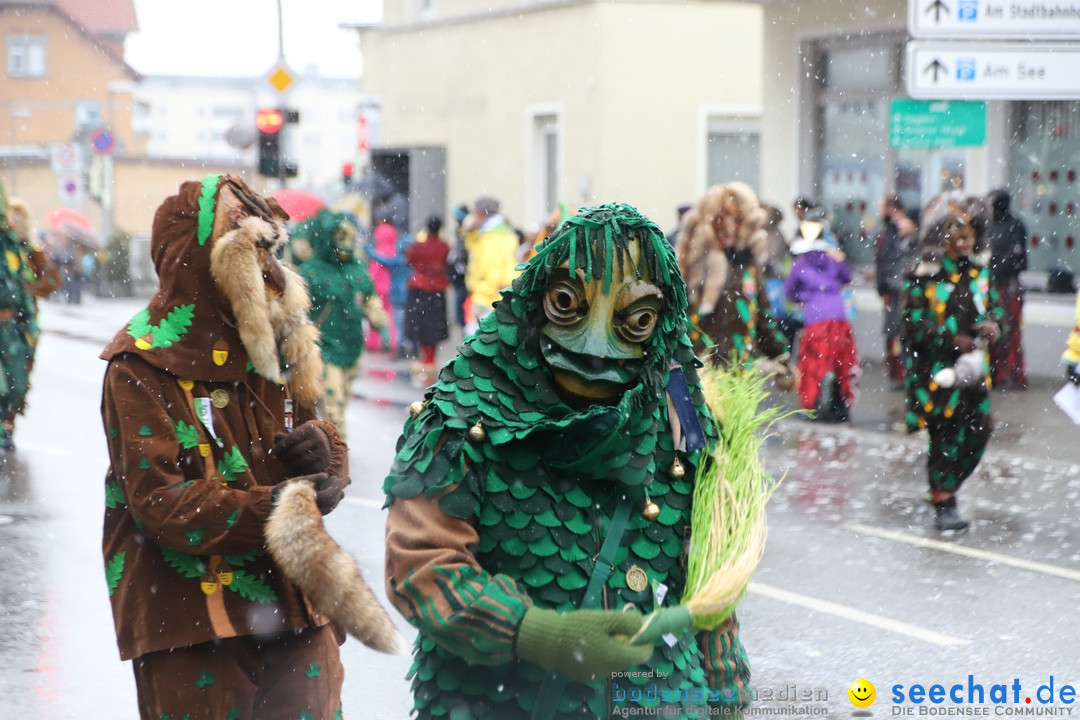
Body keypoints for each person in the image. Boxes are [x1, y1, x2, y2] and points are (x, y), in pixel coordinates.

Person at [384, 203, 750, 719]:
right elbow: (421, 567)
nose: (597, 348)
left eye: (636, 319)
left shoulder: (684, 428)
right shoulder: (461, 421)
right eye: (566, 303)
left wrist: (727, 697)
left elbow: (713, 593)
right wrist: (534, 633)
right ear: (536, 302)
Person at [99, 174, 355, 717]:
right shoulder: (138, 365)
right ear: (199, 261)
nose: (268, 271)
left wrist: (326, 454)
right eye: (249, 251)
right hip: (193, 624)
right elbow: (159, 503)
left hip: (299, 610)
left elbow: (321, 431)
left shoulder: (276, 338)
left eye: (269, 251)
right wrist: (276, 507)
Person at [900, 191, 1002, 532]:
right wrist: (947, 340)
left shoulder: (978, 271)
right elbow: (911, 323)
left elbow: (994, 306)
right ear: (941, 234)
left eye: (970, 234)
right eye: (957, 233)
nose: (963, 241)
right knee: (945, 434)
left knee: (981, 430)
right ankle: (944, 500)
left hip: (972, 370)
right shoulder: (924, 273)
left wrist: (993, 324)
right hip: (935, 371)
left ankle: (947, 488)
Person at [675, 181, 796, 389]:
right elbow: (676, 317)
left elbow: (762, 316)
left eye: (736, 220)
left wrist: (780, 354)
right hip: (696, 375)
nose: (727, 229)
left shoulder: (749, 267)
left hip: (739, 376)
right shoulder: (693, 264)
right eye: (720, 220)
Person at [298, 209, 389, 437]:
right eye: (340, 237)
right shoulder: (311, 271)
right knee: (333, 400)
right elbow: (298, 308)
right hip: (325, 346)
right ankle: (337, 449)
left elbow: (370, 299)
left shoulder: (356, 269)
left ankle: (330, 439)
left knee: (343, 396)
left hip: (352, 345)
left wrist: (380, 323)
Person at [784, 217, 859, 422]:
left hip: (816, 321)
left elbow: (790, 293)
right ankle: (841, 406)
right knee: (841, 363)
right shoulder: (833, 259)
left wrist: (806, 298)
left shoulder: (800, 264)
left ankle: (813, 407)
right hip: (839, 318)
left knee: (814, 367)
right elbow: (846, 277)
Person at [3, 195, 60, 448]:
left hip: (24, 323)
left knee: (19, 377)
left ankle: (10, 419)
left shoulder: (29, 252)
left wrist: (26, 286)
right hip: (8, 321)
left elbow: (50, 283)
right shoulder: (6, 247)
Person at [874, 192, 918, 390]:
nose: (878, 212)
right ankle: (901, 375)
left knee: (903, 334)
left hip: (901, 292)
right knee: (895, 335)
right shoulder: (888, 231)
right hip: (893, 290)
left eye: (881, 207)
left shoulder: (903, 229)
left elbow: (897, 260)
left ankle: (906, 375)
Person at [986, 188, 1029, 390]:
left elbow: (1018, 258)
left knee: (1010, 333)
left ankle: (1012, 376)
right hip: (991, 286)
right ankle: (995, 376)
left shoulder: (1015, 226)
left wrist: (997, 267)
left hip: (1008, 286)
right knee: (993, 332)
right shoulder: (989, 226)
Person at [462, 194, 520, 335]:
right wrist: (470, 231)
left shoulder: (490, 238)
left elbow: (491, 271)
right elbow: (473, 246)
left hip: (488, 299)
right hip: (501, 298)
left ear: (481, 214)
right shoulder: (502, 232)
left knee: (478, 344)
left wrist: (480, 299)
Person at [404, 214, 451, 379]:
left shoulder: (418, 246)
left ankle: (426, 359)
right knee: (434, 325)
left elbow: (409, 260)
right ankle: (431, 358)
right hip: (437, 287)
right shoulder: (444, 246)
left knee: (422, 324)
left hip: (420, 286)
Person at [446, 203, 470, 328]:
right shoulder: (461, 231)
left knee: (462, 306)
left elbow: (463, 252)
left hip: (463, 275)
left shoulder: (466, 232)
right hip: (460, 274)